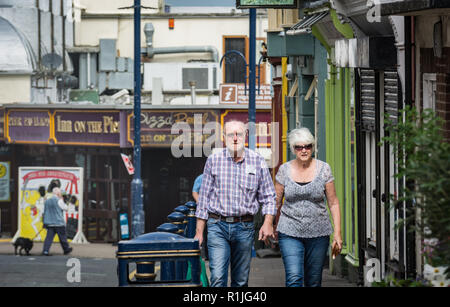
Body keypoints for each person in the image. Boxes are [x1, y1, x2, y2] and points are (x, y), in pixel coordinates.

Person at [194, 120, 277, 287]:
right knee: (217, 278)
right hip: (217, 225)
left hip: (244, 227)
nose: (235, 138)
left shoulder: (257, 161)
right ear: (224, 138)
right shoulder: (213, 160)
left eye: (239, 134)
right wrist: (199, 233)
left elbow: (269, 196)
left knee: (240, 281)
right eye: (231, 134)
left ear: (245, 136)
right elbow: (204, 199)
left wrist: (268, 223)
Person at [274, 127, 342, 287]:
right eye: (299, 147)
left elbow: (333, 202)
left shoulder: (323, 169)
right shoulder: (284, 170)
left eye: (308, 146)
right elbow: (275, 202)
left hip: (319, 233)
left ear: (313, 147)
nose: (304, 150)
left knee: (313, 281)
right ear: (293, 149)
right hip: (289, 231)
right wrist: (267, 223)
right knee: (294, 278)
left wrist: (337, 234)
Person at [42, 187, 73, 256]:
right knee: (63, 238)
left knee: (48, 238)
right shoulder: (59, 200)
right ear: (58, 193)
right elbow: (66, 208)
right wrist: (65, 202)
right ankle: (66, 249)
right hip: (59, 223)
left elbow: (44, 211)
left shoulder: (47, 201)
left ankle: (45, 251)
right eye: (60, 193)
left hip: (50, 223)